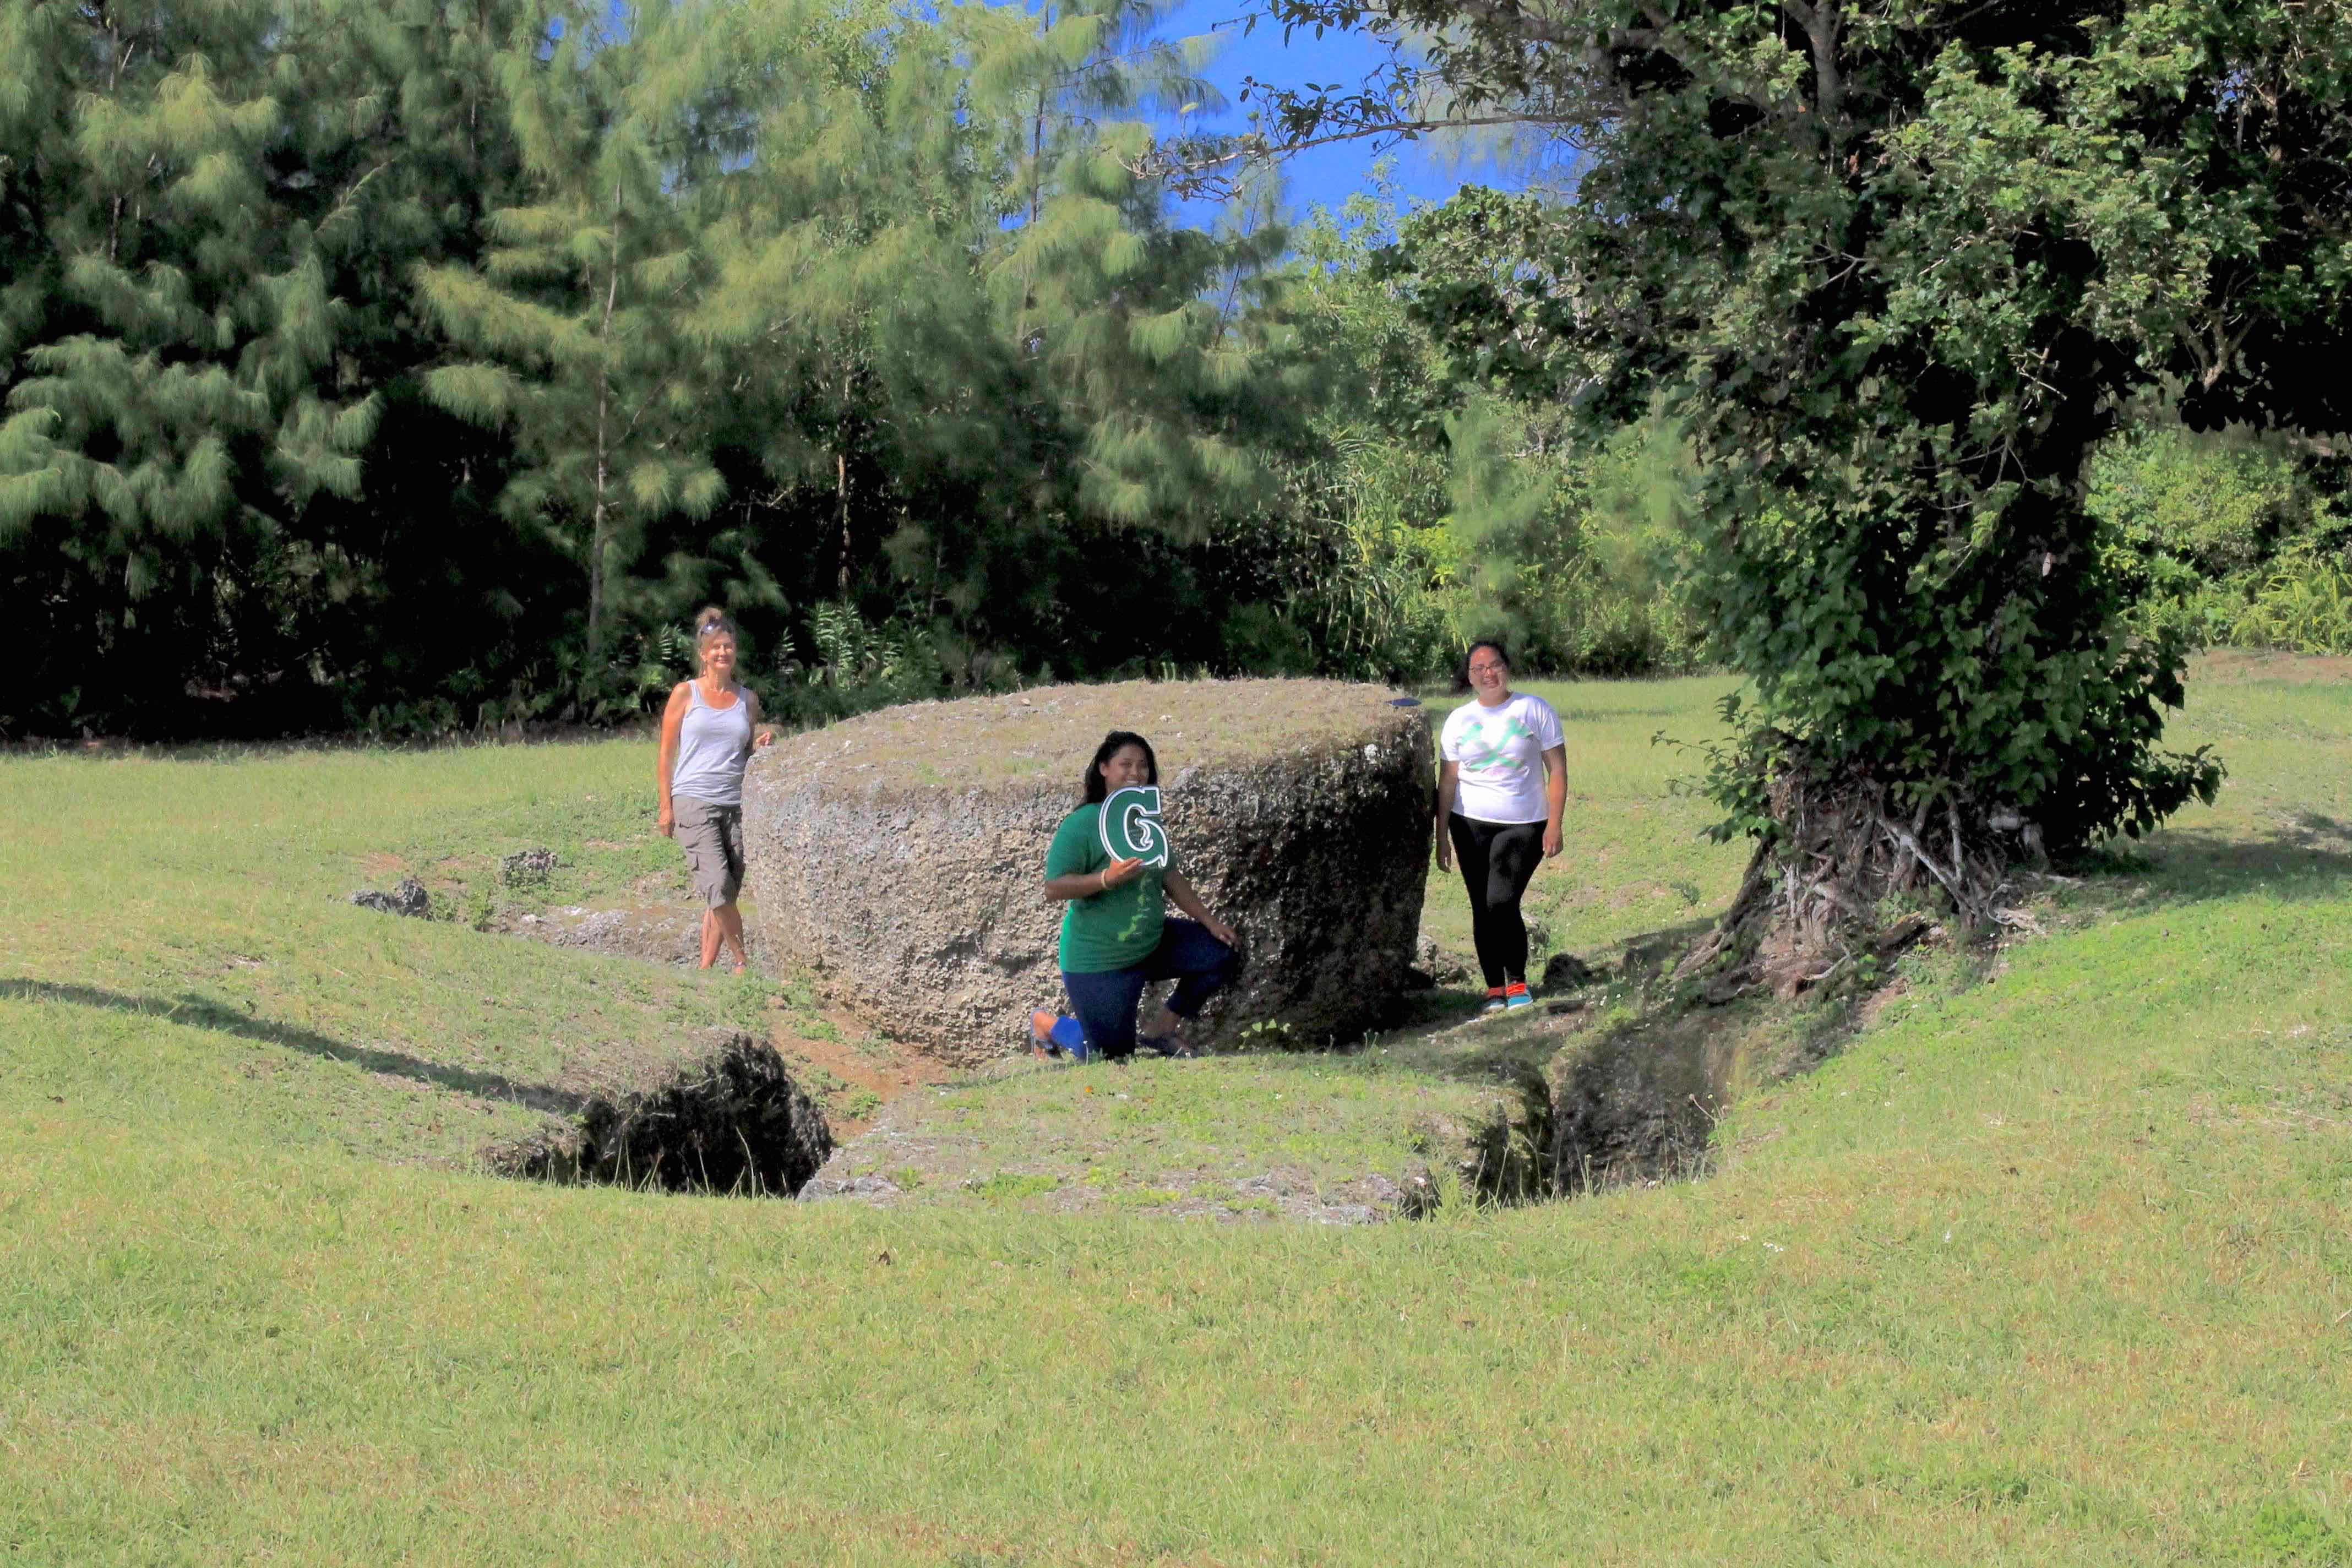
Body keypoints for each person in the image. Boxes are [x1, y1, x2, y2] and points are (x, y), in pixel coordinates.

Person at [1030, 730, 1242, 1061]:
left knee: (1222, 951)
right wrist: (1106, 878)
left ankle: (1162, 1030)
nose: (1135, 773)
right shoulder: (1081, 823)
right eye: (1125, 765)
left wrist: (1209, 921)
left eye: (1143, 766)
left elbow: (1169, 875)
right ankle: (1046, 1024)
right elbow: (1054, 887)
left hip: (1151, 944)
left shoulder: (1147, 820)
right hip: (1100, 959)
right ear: (1104, 768)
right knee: (1107, 1058)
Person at [1435, 640, 1567, 1014]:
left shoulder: (1534, 710)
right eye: (1478, 669)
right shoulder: (1458, 720)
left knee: (1502, 901)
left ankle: (1518, 980)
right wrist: (1441, 835)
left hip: (1524, 823)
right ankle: (1494, 987)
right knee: (1481, 905)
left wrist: (1555, 824)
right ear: (1469, 677)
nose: (1488, 674)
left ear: (1507, 668)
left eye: (1495, 666)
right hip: (1468, 823)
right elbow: (1448, 781)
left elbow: (1557, 769)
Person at [655, 608, 775, 972]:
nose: (723, 653)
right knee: (718, 885)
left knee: (724, 893)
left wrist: (760, 748)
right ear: (704, 654)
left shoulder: (747, 700)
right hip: (694, 800)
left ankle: (704, 970)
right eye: (716, 648)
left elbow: (742, 752)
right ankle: (743, 963)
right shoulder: (685, 694)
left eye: (729, 647)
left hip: (735, 804)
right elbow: (666, 753)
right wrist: (666, 807)